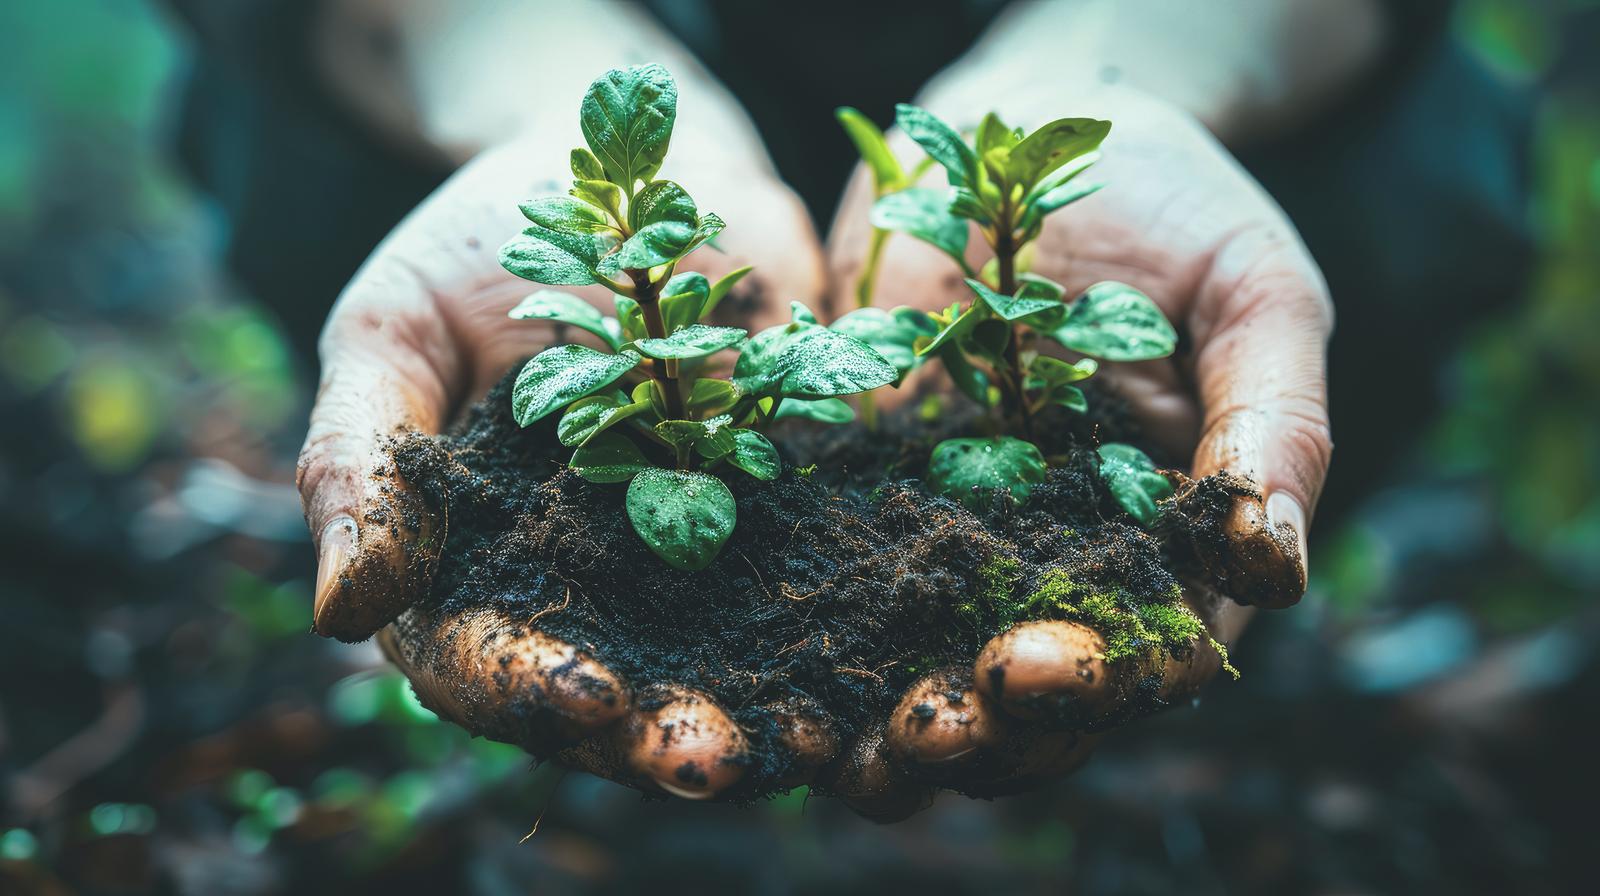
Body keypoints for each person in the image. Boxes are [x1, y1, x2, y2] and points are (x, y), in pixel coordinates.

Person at [170, 0, 1529, 816]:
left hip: (1159, 57)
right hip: (525, 59)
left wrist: (1122, 68)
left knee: (1431, 173)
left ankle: (1231, 675)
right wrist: (528, 72)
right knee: (305, 163)